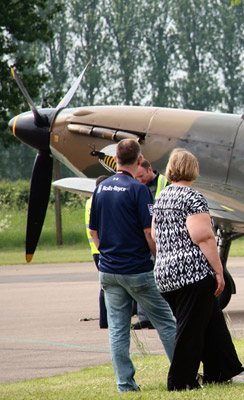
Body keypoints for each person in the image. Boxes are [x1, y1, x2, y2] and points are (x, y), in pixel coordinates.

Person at [152, 148, 244, 391]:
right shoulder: (192, 197)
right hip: (191, 273)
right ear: (193, 169)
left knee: (212, 324)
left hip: (165, 272)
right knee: (190, 330)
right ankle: (181, 381)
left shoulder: (162, 197)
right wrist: (219, 271)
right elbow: (204, 237)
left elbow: (155, 235)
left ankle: (226, 371)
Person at [88, 139, 177, 393]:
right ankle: (183, 373)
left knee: (118, 329)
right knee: (165, 322)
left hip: (109, 271)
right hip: (137, 270)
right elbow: (149, 232)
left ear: (115, 159)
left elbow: (93, 230)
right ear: (140, 160)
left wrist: (106, 253)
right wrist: (158, 260)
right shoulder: (138, 189)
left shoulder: (101, 188)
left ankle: (125, 384)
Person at [131, 158, 170, 330]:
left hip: (162, 238)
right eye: (136, 177)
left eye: (141, 176)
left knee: (162, 279)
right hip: (144, 239)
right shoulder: (137, 186)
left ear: (150, 170)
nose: (139, 180)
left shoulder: (165, 182)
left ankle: (162, 315)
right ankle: (145, 317)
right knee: (144, 276)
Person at [85, 175, 110, 329]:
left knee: (105, 285)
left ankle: (104, 321)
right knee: (106, 287)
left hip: (96, 249)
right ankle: (105, 321)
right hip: (101, 249)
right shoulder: (98, 201)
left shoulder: (90, 200)